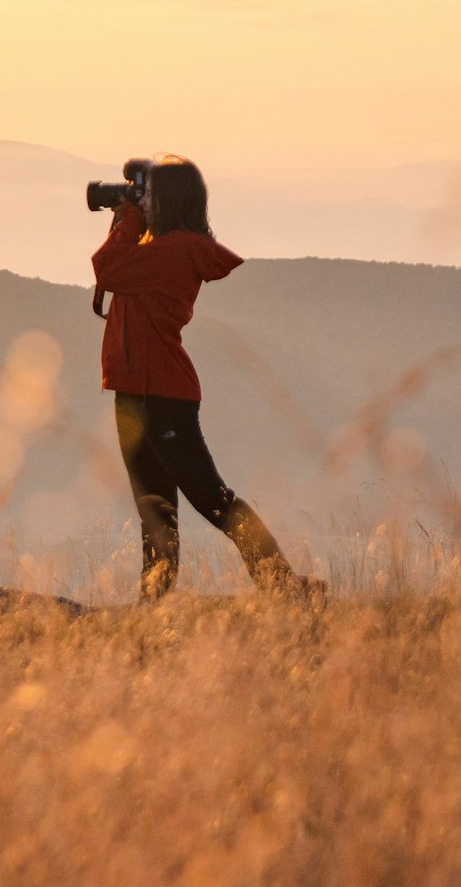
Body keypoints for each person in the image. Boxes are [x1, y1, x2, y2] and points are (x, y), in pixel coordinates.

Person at [92, 154, 314, 602]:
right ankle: (153, 603)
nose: (141, 202)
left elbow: (108, 268)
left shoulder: (176, 252)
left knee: (211, 498)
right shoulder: (158, 249)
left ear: (171, 202)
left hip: (162, 395)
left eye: (148, 195)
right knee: (155, 509)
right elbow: (117, 269)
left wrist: (125, 221)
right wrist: (130, 216)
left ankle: (286, 586)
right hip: (136, 392)